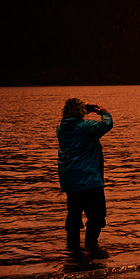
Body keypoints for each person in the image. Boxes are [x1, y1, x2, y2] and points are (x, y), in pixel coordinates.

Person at [57, 98, 113, 250]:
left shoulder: (60, 128)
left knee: (73, 216)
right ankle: (91, 245)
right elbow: (106, 125)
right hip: (89, 180)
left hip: (70, 181)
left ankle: (73, 250)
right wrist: (104, 113)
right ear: (80, 111)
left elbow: (73, 124)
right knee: (96, 217)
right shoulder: (87, 127)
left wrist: (81, 112)